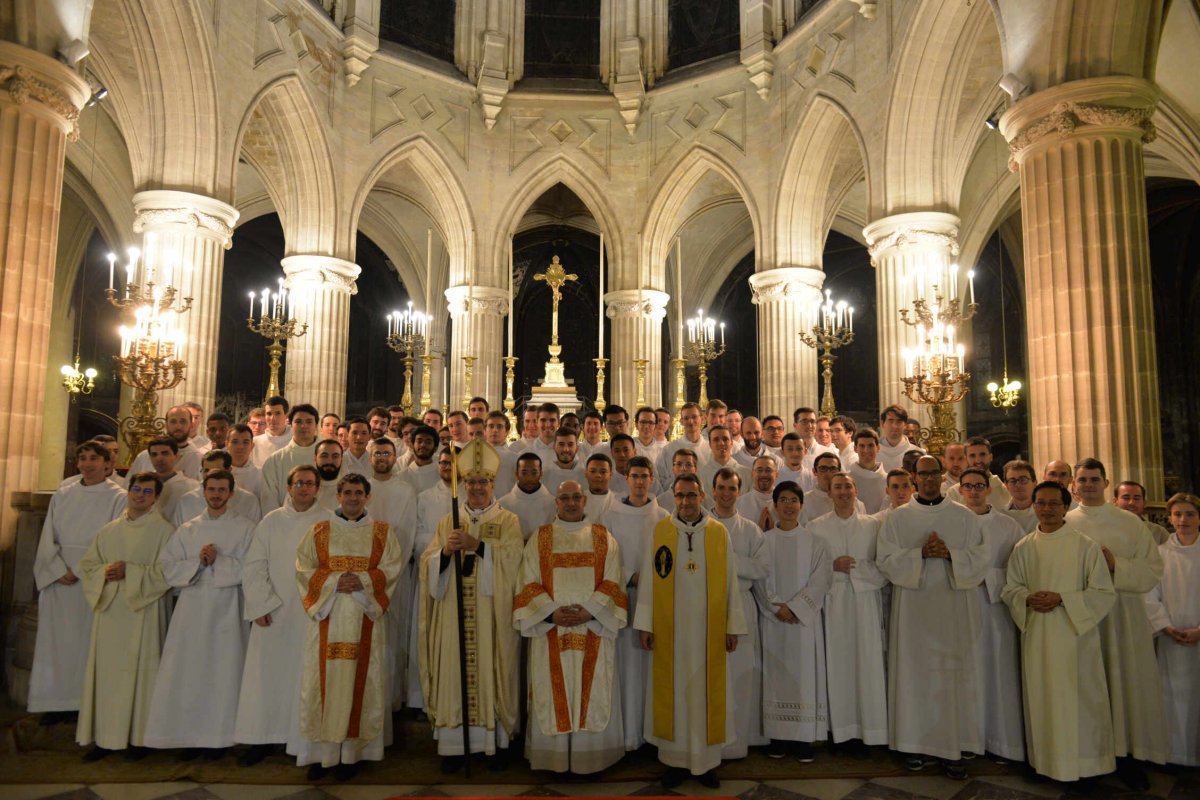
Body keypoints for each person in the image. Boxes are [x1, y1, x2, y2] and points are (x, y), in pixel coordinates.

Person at [877, 455, 989, 779]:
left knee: (950, 675)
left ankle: (952, 749)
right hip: (913, 611)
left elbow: (981, 558)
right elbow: (884, 559)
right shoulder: (898, 519)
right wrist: (919, 555)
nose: (928, 479)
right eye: (922, 474)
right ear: (914, 477)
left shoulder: (964, 517)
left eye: (933, 473)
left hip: (953, 610)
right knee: (913, 674)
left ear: (942, 476)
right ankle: (913, 744)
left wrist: (951, 554)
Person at [634, 473, 747, 789]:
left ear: (703, 497)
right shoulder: (661, 531)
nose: (685, 501)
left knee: (705, 692)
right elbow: (650, 581)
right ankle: (675, 761)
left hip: (709, 632)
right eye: (680, 495)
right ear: (673, 497)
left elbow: (730, 581)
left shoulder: (718, 533)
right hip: (671, 630)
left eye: (691, 495)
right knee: (674, 691)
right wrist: (646, 623)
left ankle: (706, 763)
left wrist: (731, 625)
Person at [418, 439, 524, 772]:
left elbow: (515, 565)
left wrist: (479, 547)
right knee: (454, 670)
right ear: (463, 485)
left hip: (492, 614)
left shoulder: (508, 522)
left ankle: (490, 745)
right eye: (472, 482)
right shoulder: (447, 522)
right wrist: (445, 554)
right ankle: (453, 746)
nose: (478, 487)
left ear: (494, 484)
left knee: (493, 670)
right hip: (454, 614)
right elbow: (427, 565)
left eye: (484, 482)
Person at [1001, 481, 1116, 783]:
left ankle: (1087, 767)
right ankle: (1046, 765)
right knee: (1042, 700)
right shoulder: (1024, 547)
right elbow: (1011, 587)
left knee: (1081, 701)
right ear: (1034, 506)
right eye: (1041, 503)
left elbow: (1103, 592)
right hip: (1038, 636)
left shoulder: (1084, 545)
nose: (1047, 509)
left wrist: (1063, 599)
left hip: (1075, 638)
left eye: (1054, 504)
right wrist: (1026, 597)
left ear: (1066, 507)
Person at [294, 473, 405, 780]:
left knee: (362, 681)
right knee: (323, 683)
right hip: (328, 617)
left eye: (359, 492)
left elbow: (391, 568)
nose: (353, 498)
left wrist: (364, 581)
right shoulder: (320, 531)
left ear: (367, 497)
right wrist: (332, 581)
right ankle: (323, 755)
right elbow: (304, 568)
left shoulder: (382, 533)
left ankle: (354, 755)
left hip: (363, 616)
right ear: (338, 496)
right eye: (348, 492)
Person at [513, 480, 628, 774]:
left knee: (592, 690)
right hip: (552, 631)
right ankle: (553, 758)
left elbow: (614, 582)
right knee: (553, 689)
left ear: (585, 501)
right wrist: (551, 614)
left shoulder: (604, 538)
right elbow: (527, 581)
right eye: (565, 498)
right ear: (556, 502)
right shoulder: (540, 538)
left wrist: (589, 611)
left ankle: (592, 758)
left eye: (576, 497)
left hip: (593, 630)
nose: (571, 503)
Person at [1066, 458, 1168, 785]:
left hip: (1123, 615)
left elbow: (1152, 570)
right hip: (1082, 617)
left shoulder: (1129, 523)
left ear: (1106, 484)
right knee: (1086, 686)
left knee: (1124, 683)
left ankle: (1126, 756)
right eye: (1082, 479)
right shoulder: (1065, 523)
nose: (1088, 485)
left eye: (1094, 479)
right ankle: (1089, 758)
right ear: (1073, 485)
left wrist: (1115, 566)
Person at [144, 470, 255, 756]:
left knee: (224, 670)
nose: (216, 494)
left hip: (228, 607)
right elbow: (167, 567)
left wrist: (220, 561)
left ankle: (221, 738)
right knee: (190, 670)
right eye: (212, 489)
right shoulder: (188, 529)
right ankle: (187, 734)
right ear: (203, 492)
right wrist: (197, 562)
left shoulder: (245, 528)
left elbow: (253, 568)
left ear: (231, 493)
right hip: (192, 609)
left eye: (222, 490)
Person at [234, 465, 329, 766]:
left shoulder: (328, 521)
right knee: (267, 677)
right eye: (298, 483)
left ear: (318, 488)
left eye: (309, 483)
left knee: (305, 677)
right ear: (288, 487)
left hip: (313, 613)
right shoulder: (271, 521)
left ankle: (302, 740)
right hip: (274, 611)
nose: (303, 488)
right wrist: (261, 604)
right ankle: (262, 738)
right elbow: (254, 565)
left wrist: (324, 605)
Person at [75, 472, 174, 760]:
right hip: (110, 612)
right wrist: (103, 573)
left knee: (141, 675)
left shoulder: (164, 531)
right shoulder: (108, 531)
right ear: (128, 492)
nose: (140, 495)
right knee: (106, 675)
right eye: (136, 489)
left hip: (143, 612)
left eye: (147, 491)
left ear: (156, 497)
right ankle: (105, 739)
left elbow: (168, 572)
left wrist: (131, 571)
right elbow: (88, 565)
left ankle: (137, 739)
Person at [29, 441, 128, 722]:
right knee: (55, 644)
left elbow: (112, 539)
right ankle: (54, 701)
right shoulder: (64, 493)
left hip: (91, 580)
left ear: (107, 463)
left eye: (94, 458)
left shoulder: (117, 497)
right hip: (59, 578)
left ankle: (81, 703)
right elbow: (49, 534)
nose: (87, 463)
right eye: (82, 458)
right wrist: (57, 568)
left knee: (86, 645)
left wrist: (82, 570)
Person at [809, 472, 887, 752]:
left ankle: (870, 730)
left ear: (856, 492)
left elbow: (884, 566)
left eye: (848, 487)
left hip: (865, 602)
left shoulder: (872, 526)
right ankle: (839, 731)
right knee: (837, 665)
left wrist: (856, 570)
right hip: (833, 604)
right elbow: (810, 569)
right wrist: (832, 566)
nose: (843, 492)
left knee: (867, 664)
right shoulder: (816, 527)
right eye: (837, 487)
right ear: (829, 492)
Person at [755, 481, 832, 762]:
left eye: (793, 500)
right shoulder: (764, 541)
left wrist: (797, 608)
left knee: (804, 676)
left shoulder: (815, 541)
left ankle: (803, 740)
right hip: (775, 621)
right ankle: (778, 737)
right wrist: (777, 607)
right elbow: (760, 579)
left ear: (801, 505)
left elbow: (821, 579)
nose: (788, 505)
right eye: (783, 500)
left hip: (802, 624)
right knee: (775, 675)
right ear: (774, 506)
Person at [956, 467, 1025, 764]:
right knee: (967, 673)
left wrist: (987, 576)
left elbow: (1021, 565)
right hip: (962, 606)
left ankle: (1001, 742)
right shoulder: (952, 522)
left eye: (979, 485)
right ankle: (968, 738)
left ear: (988, 489)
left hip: (996, 607)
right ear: (960, 490)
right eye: (968, 486)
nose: (973, 490)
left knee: (998, 672)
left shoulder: (1008, 526)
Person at [599, 455, 667, 751]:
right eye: (634, 476)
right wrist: (629, 576)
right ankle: (626, 736)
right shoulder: (609, 515)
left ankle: (652, 733)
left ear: (652, 479)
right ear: (625, 479)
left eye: (644, 476)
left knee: (653, 666)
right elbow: (602, 554)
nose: (639, 481)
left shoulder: (663, 517)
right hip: (621, 597)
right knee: (624, 666)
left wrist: (650, 579)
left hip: (656, 600)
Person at [709, 469, 769, 760]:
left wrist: (725, 559)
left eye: (731, 488)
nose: (725, 493)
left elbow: (760, 569)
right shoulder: (702, 526)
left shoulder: (750, 530)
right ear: (712, 490)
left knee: (741, 673)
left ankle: (737, 742)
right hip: (707, 606)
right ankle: (711, 742)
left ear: (739, 492)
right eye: (721, 487)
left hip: (742, 605)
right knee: (711, 675)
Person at [1145, 492, 1200, 768]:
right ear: (1169, 518)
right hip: (1171, 638)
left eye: (1189, 513)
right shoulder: (1160, 554)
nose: (1183, 520)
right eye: (1178, 514)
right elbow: (1149, 595)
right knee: (1173, 696)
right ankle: (1175, 754)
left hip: (1199, 638)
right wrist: (1165, 626)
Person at [365, 437, 418, 710]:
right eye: (377, 453)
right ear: (370, 457)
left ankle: (394, 699)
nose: (382, 457)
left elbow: (408, 531)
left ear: (393, 455)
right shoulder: (362, 488)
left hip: (395, 574)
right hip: (364, 576)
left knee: (395, 636)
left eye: (386, 453)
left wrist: (391, 567)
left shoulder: (405, 490)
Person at [406, 447, 455, 710]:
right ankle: (420, 698)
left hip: (462, 574)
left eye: (452, 462)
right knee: (425, 633)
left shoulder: (472, 496)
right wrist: (444, 546)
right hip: (432, 570)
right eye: (444, 462)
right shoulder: (424, 498)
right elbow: (417, 536)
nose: (447, 466)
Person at [172, 449, 262, 525]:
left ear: (229, 470)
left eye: (216, 471)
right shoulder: (187, 501)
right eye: (206, 470)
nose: (210, 475)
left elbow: (254, 535)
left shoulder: (249, 501)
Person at [260, 403, 321, 512]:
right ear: (290, 425)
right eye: (298, 422)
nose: (303, 426)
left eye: (309, 422)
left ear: (316, 425)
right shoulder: (275, 461)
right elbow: (269, 502)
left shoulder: (331, 459)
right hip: (285, 524)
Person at [128, 405, 203, 479]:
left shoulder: (198, 459)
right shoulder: (144, 456)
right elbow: (129, 486)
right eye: (173, 422)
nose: (178, 426)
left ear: (191, 425)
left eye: (183, 422)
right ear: (166, 425)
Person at [499, 451, 557, 541]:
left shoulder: (554, 504)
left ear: (541, 474)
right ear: (516, 474)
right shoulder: (503, 504)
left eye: (534, 473)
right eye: (524, 473)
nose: (529, 478)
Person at [654, 403, 710, 488]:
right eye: (686, 418)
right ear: (681, 421)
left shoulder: (710, 449)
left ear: (702, 419)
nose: (691, 421)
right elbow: (659, 479)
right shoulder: (668, 450)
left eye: (694, 417)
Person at [946, 437, 1011, 508]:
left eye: (982, 454)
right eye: (972, 455)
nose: (978, 460)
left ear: (990, 457)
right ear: (966, 458)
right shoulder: (954, 492)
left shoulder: (1005, 491)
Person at [146, 437, 200, 522]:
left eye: (165, 453)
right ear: (149, 458)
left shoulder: (193, 487)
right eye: (154, 454)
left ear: (177, 456)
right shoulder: (143, 486)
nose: (159, 458)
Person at [801, 453, 864, 525]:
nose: (828, 473)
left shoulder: (856, 503)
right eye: (823, 468)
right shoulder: (804, 502)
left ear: (839, 471)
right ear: (814, 471)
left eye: (833, 469)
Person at [1114, 480, 1171, 545]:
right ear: (1115, 501)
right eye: (1126, 498)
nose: (1131, 503)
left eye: (1136, 498)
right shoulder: (1103, 530)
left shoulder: (1158, 533)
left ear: (1144, 503)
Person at [699, 425, 749, 493]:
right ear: (710, 444)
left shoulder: (746, 474)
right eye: (716, 440)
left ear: (731, 442)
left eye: (725, 439)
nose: (721, 443)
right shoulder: (701, 476)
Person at [849, 429, 887, 514]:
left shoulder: (888, 479)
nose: (866, 450)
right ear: (855, 448)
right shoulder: (848, 479)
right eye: (862, 446)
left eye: (870, 445)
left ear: (878, 448)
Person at [736, 454, 779, 531]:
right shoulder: (739, 504)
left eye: (768, 470)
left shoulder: (784, 503)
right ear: (752, 474)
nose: (764, 474)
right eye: (759, 470)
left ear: (776, 475)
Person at [877, 405, 920, 472]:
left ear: (905, 425)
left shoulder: (917, 453)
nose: (895, 426)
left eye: (899, 421)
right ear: (882, 424)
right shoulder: (872, 453)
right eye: (891, 421)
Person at [484, 411, 518, 496]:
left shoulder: (514, 458)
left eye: (499, 427)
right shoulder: (477, 456)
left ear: (507, 432)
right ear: (485, 431)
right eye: (491, 426)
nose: (495, 430)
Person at [252, 396, 292, 467]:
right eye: (269, 414)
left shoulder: (295, 441)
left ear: (286, 415)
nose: (273, 418)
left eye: (278, 413)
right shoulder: (254, 443)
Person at [1001, 460, 1038, 533]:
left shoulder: (1044, 513)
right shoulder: (1001, 516)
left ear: (1034, 483)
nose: (1018, 485)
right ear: (1006, 485)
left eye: (1023, 480)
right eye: (1012, 480)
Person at [543, 426, 585, 491]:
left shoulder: (584, 474)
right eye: (561, 444)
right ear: (554, 447)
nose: (566, 449)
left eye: (570, 444)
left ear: (577, 448)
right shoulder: (545, 475)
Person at [227, 423, 262, 497]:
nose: (240, 447)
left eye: (245, 442)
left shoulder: (260, 475)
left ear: (252, 446)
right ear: (227, 444)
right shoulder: (219, 471)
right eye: (235, 442)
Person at [404, 424, 441, 494]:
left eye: (428, 442)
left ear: (435, 448)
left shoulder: (442, 476)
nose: (423, 445)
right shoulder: (401, 477)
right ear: (412, 445)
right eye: (419, 441)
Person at [581, 453, 616, 523]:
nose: (598, 475)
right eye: (593, 471)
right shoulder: (577, 500)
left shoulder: (618, 501)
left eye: (603, 472)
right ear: (586, 474)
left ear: (610, 475)